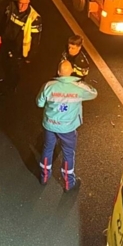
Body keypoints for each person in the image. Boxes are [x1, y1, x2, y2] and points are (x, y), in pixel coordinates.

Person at [36, 60, 98, 190]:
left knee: (48, 149)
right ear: (71, 72)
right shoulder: (78, 87)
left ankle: (44, 176)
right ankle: (69, 183)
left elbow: (39, 103)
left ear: (58, 72)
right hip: (68, 128)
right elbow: (93, 93)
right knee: (68, 153)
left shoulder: (49, 86)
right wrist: (80, 82)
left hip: (50, 125)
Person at [0, 0, 41, 94]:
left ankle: (12, 87)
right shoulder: (11, 7)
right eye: (20, 3)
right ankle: (6, 80)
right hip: (7, 42)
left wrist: (30, 56)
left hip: (19, 48)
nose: (21, 6)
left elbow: (36, 39)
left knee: (14, 68)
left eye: (24, 4)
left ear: (28, 3)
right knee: (4, 62)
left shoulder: (34, 18)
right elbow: (3, 21)